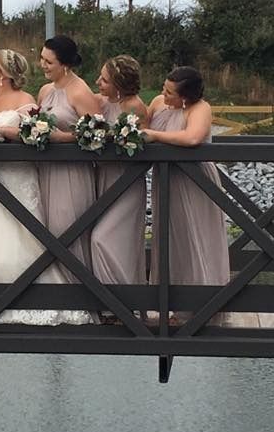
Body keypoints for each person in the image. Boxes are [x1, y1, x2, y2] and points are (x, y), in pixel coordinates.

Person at [0, 49, 93, 325]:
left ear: (4, 73)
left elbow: (35, 133)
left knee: (19, 231)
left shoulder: (26, 100)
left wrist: (4, 132)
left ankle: (25, 295)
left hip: (15, 176)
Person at [142, 66, 230, 323]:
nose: (162, 94)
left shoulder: (200, 108)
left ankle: (202, 305)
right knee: (168, 235)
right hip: (166, 178)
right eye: (164, 88)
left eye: (169, 92)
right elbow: (141, 124)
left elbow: (192, 138)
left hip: (195, 179)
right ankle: (166, 303)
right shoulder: (158, 103)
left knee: (196, 235)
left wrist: (155, 136)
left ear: (185, 96)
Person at [36, 35, 100, 277]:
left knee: (67, 229)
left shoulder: (80, 92)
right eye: (41, 59)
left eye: (48, 62)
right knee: (46, 230)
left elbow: (96, 134)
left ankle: (80, 294)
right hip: (45, 170)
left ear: (65, 64)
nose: (42, 65)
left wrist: (61, 137)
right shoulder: (44, 91)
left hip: (71, 172)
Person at [90, 56, 151, 293]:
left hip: (126, 183)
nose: (98, 82)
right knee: (105, 238)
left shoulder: (136, 107)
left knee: (104, 239)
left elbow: (141, 144)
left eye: (104, 80)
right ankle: (109, 303)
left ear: (119, 83)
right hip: (102, 178)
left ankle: (122, 300)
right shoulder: (101, 102)